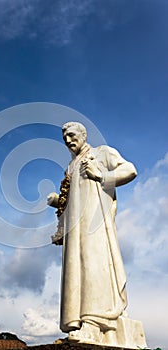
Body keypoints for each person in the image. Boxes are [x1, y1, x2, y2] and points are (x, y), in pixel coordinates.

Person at [47, 122, 145, 346]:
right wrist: (57, 202)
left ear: (83, 135)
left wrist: (101, 175)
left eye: (72, 136)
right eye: (65, 139)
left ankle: (94, 323)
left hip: (95, 224)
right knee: (75, 272)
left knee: (93, 266)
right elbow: (70, 202)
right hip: (75, 228)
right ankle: (78, 323)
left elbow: (130, 170)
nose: (68, 142)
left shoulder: (102, 153)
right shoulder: (70, 167)